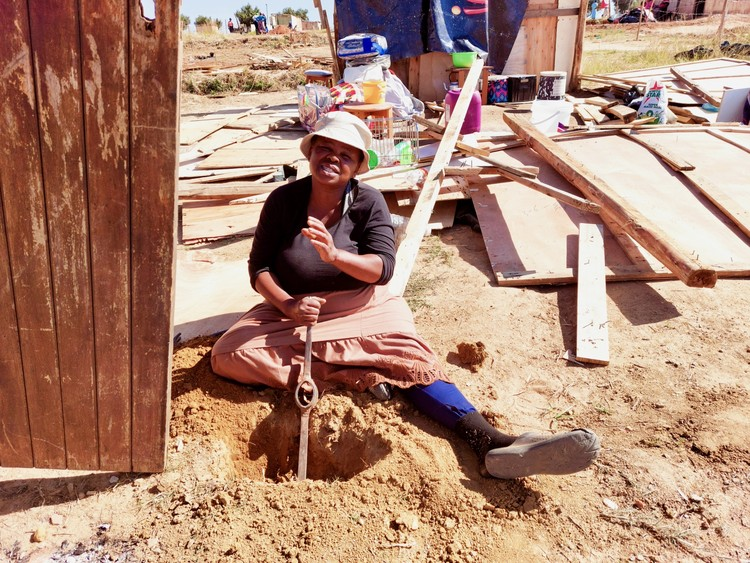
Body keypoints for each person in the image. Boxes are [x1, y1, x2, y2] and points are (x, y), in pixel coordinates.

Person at [211, 111, 601, 480]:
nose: (333, 158)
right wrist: (289, 304)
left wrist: (335, 255)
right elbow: (259, 268)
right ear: (310, 151)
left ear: (358, 165)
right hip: (292, 313)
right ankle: (356, 373)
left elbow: (384, 268)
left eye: (345, 154)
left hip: (361, 308)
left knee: (412, 359)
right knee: (227, 355)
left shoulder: (368, 202)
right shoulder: (283, 201)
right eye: (324, 148)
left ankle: (491, 442)